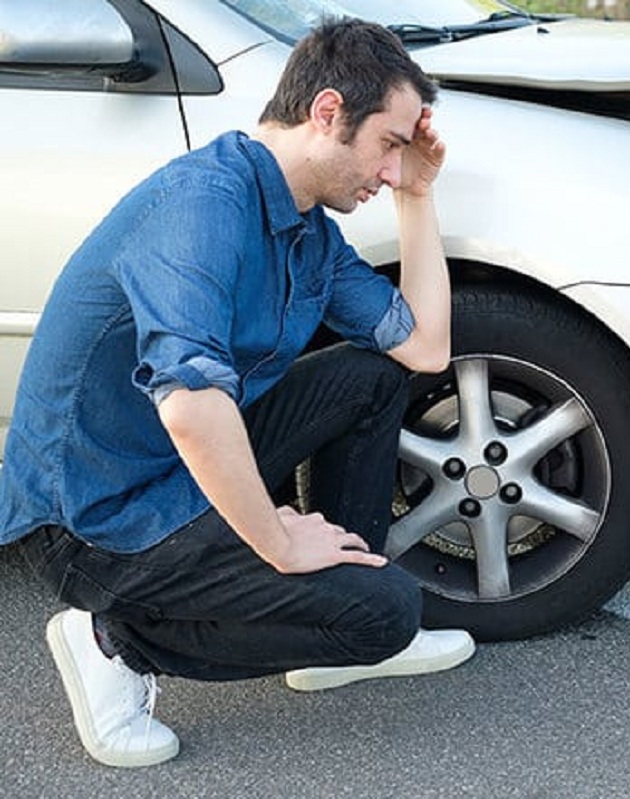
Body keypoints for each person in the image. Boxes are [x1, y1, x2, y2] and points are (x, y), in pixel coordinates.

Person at [0, 19, 476, 769]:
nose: (391, 170)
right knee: (386, 615)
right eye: (389, 145)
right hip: (96, 515)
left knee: (373, 373)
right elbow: (190, 406)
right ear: (328, 112)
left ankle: (344, 590)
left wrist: (417, 197)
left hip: (178, 466)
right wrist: (278, 539)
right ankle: (114, 641)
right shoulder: (203, 205)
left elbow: (423, 348)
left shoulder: (306, 229)